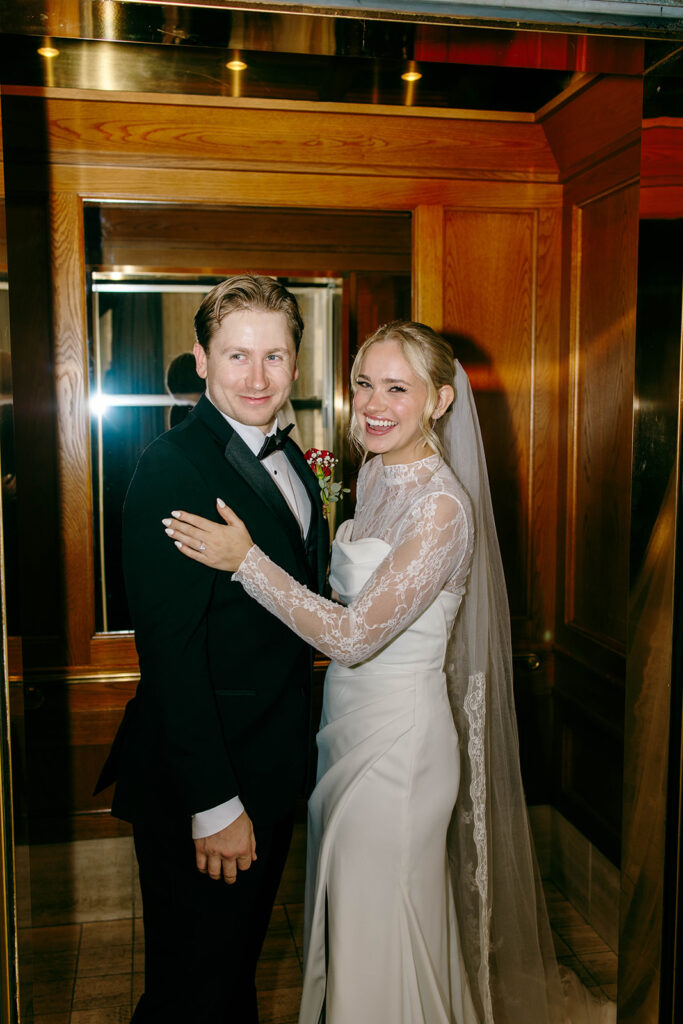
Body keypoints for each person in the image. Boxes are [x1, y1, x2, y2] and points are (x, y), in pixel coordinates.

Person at [164, 321, 613, 1024]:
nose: (372, 403)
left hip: (399, 750)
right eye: (363, 384)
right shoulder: (373, 474)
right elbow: (349, 598)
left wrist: (246, 561)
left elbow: (349, 636)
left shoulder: (440, 509)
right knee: (356, 924)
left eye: (396, 388)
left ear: (438, 400)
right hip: (345, 730)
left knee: (382, 927)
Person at [96, 275, 329, 1023]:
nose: (257, 377)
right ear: (200, 360)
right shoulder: (174, 467)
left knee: (228, 974)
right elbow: (170, 654)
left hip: (268, 761)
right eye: (236, 356)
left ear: (296, 361)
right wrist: (214, 803)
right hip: (205, 779)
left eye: (273, 356)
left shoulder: (292, 460)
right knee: (190, 988)